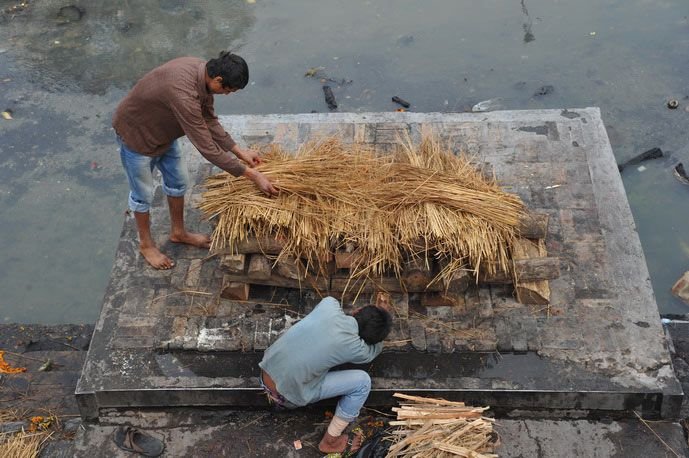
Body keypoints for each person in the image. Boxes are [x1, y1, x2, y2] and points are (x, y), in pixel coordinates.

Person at [113, 51, 278, 270]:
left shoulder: (204, 74)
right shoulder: (183, 93)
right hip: (138, 138)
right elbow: (207, 149)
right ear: (218, 79)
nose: (227, 95)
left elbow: (209, 119)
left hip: (165, 134)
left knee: (178, 182)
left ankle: (178, 232)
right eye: (228, 90)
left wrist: (240, 152)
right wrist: (252, 175)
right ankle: (146, 245)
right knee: (142, 195)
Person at [259, 296, 392, 455]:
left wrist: (378, 312)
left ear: (357, 311)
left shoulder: (329, 305)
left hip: (264, 373)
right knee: (363, 383)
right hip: (286, 396)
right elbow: (375, 350)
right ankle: (329, 442)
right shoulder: (358, 348)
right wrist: (383, 322)